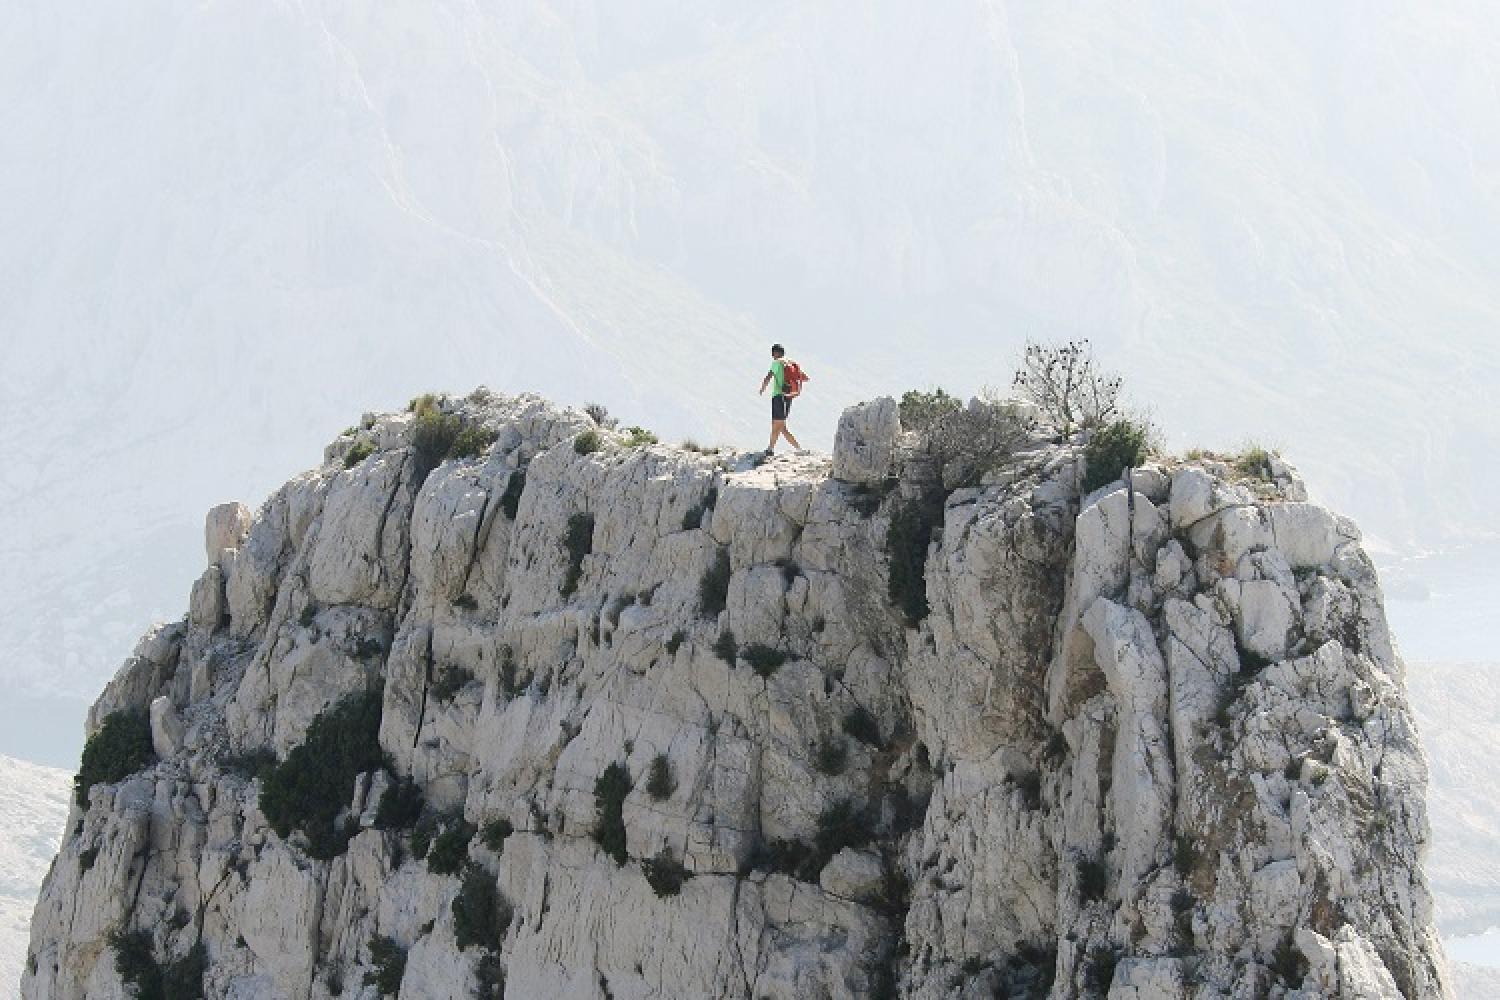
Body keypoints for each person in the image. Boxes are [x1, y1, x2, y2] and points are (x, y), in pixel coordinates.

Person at [758, 344, 802, 456]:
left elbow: (768, 377)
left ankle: (798, 449)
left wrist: (762, 388)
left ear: (776, 353)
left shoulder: (777, 363)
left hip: (779, 396)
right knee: (780, 426)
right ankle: (772, 449)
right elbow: (804, 377)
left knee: (779, 425)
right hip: (788, 396)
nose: (772, 355)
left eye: (773, 353)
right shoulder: (791, 363)